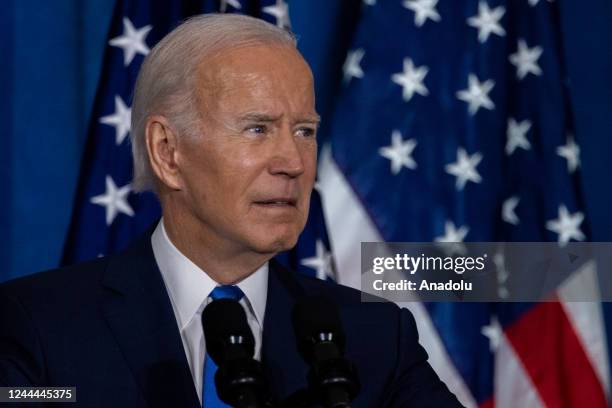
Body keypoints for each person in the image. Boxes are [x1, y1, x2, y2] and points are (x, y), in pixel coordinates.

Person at [0, 14, 463, 407]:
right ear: (167, 152)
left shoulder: (374, 338)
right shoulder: (38, 327)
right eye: (257, 129)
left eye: (304, 131)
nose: (293, 163)